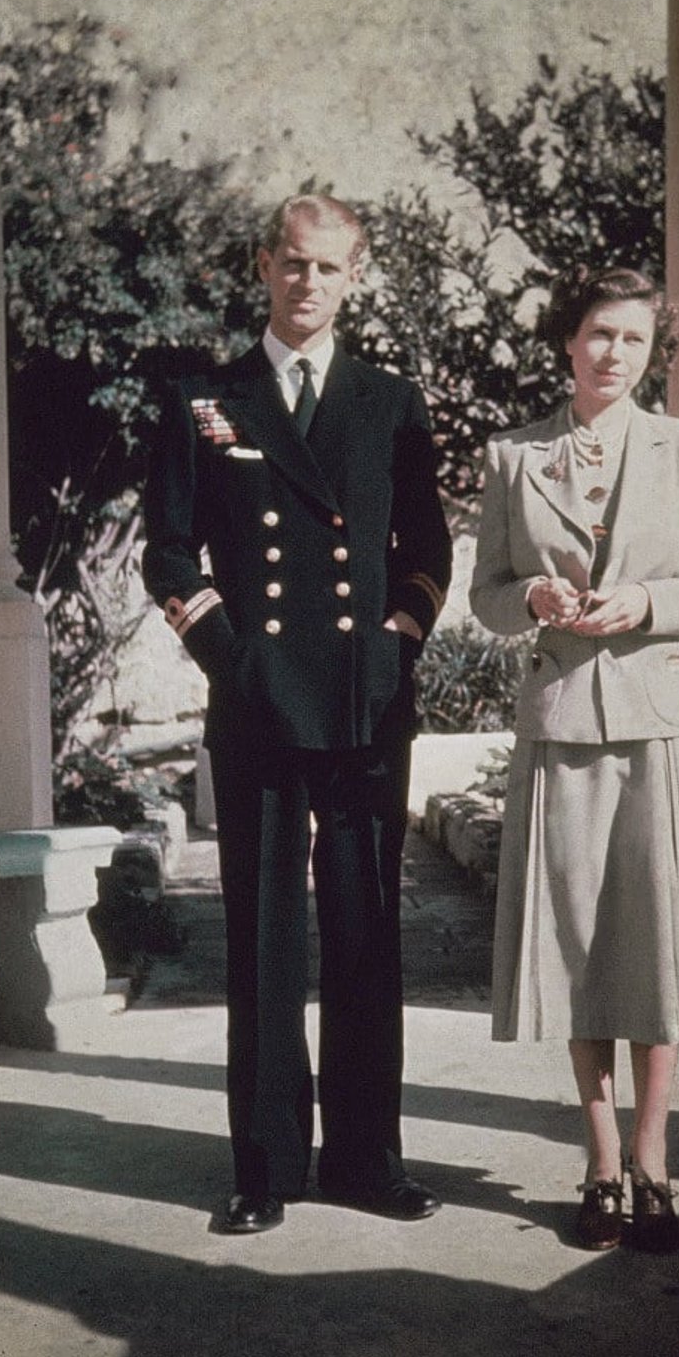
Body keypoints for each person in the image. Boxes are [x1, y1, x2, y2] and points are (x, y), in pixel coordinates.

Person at [143, 193, 452, 1233]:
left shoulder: (389, 401)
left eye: (328, 268)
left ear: (352, 278)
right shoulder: (202, 397)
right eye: (292, 264)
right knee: (265, 938)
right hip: (258, 702)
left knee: (367, 934)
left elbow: (425, 555)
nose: (308, 283)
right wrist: (234, 662)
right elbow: (170, 552)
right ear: (263, 268)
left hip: (366, 703)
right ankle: (265, 1168)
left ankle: (368, 1158)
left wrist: (393, 650)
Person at [470, 265, 679, 1254]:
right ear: (568, 339)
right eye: (597, 333)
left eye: (631, 340)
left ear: (649, 354)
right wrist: (533, 605)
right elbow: (487, 592)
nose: (610, 354)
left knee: (658, 949)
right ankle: (598, 1165)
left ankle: (653, 1162)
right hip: (560, 726)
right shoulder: (513, 455)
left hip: (663, 730)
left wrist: (645, 602)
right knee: (577, 952)